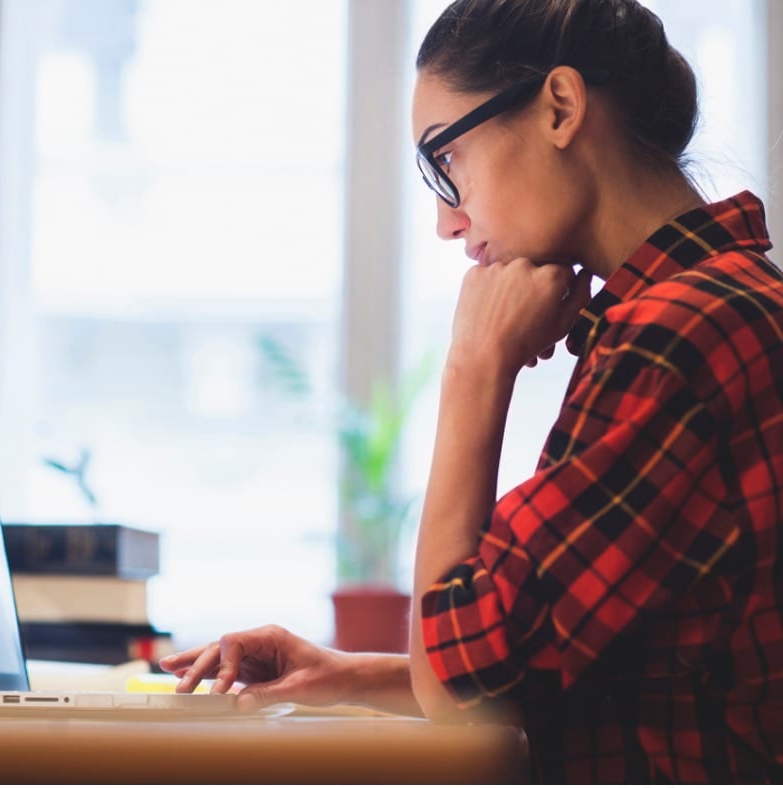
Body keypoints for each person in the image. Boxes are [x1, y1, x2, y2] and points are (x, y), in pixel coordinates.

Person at [159, 0, 783, 781]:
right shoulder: (716, 304)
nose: (446, 222)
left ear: (560, 107)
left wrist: (475, 369)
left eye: (445, 159)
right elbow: (585, 670)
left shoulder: (676, 337)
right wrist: (348, 674)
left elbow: (463, 690)